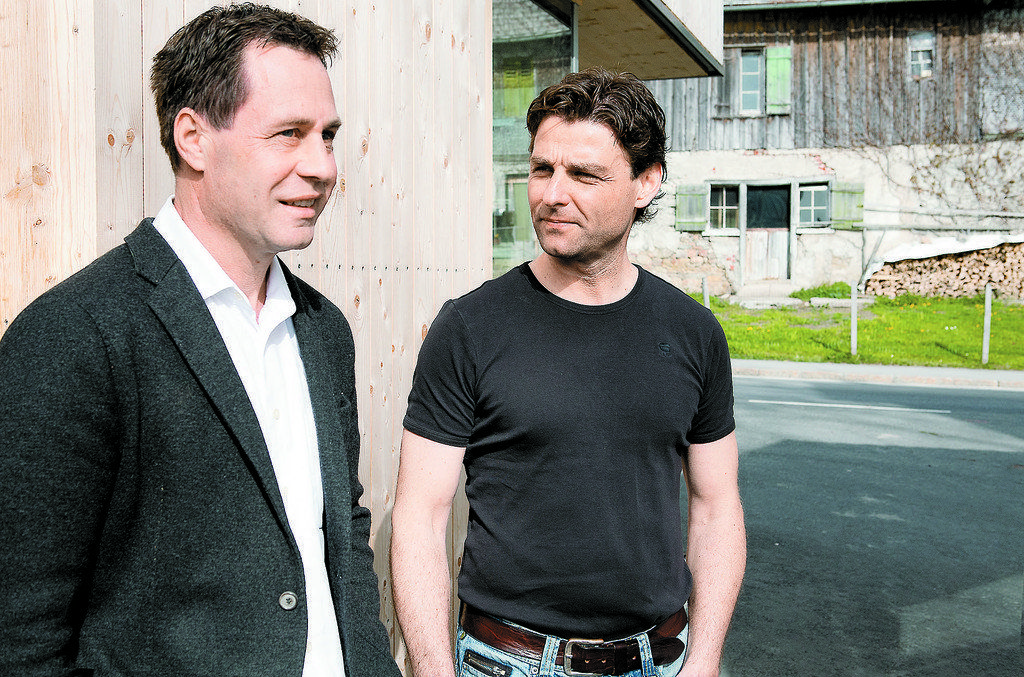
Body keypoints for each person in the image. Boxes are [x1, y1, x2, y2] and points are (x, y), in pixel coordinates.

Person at [0, 4, 400, 676]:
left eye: (327, 136)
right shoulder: (75, 334)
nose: (322, 166)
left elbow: (340, 530)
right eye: (289, 134)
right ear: (193, 138)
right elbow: (21, 632)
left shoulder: (323, 329)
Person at [391, 68, 746, 677]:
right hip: (507, 660)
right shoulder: (469, 328)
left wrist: (706, 658)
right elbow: (419, 515)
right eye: (541, 169)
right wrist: (431, 668)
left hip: (660, 659)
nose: (553, 193)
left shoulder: (694, 333)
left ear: (646, 182)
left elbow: (716, 507)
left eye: (583, 174)